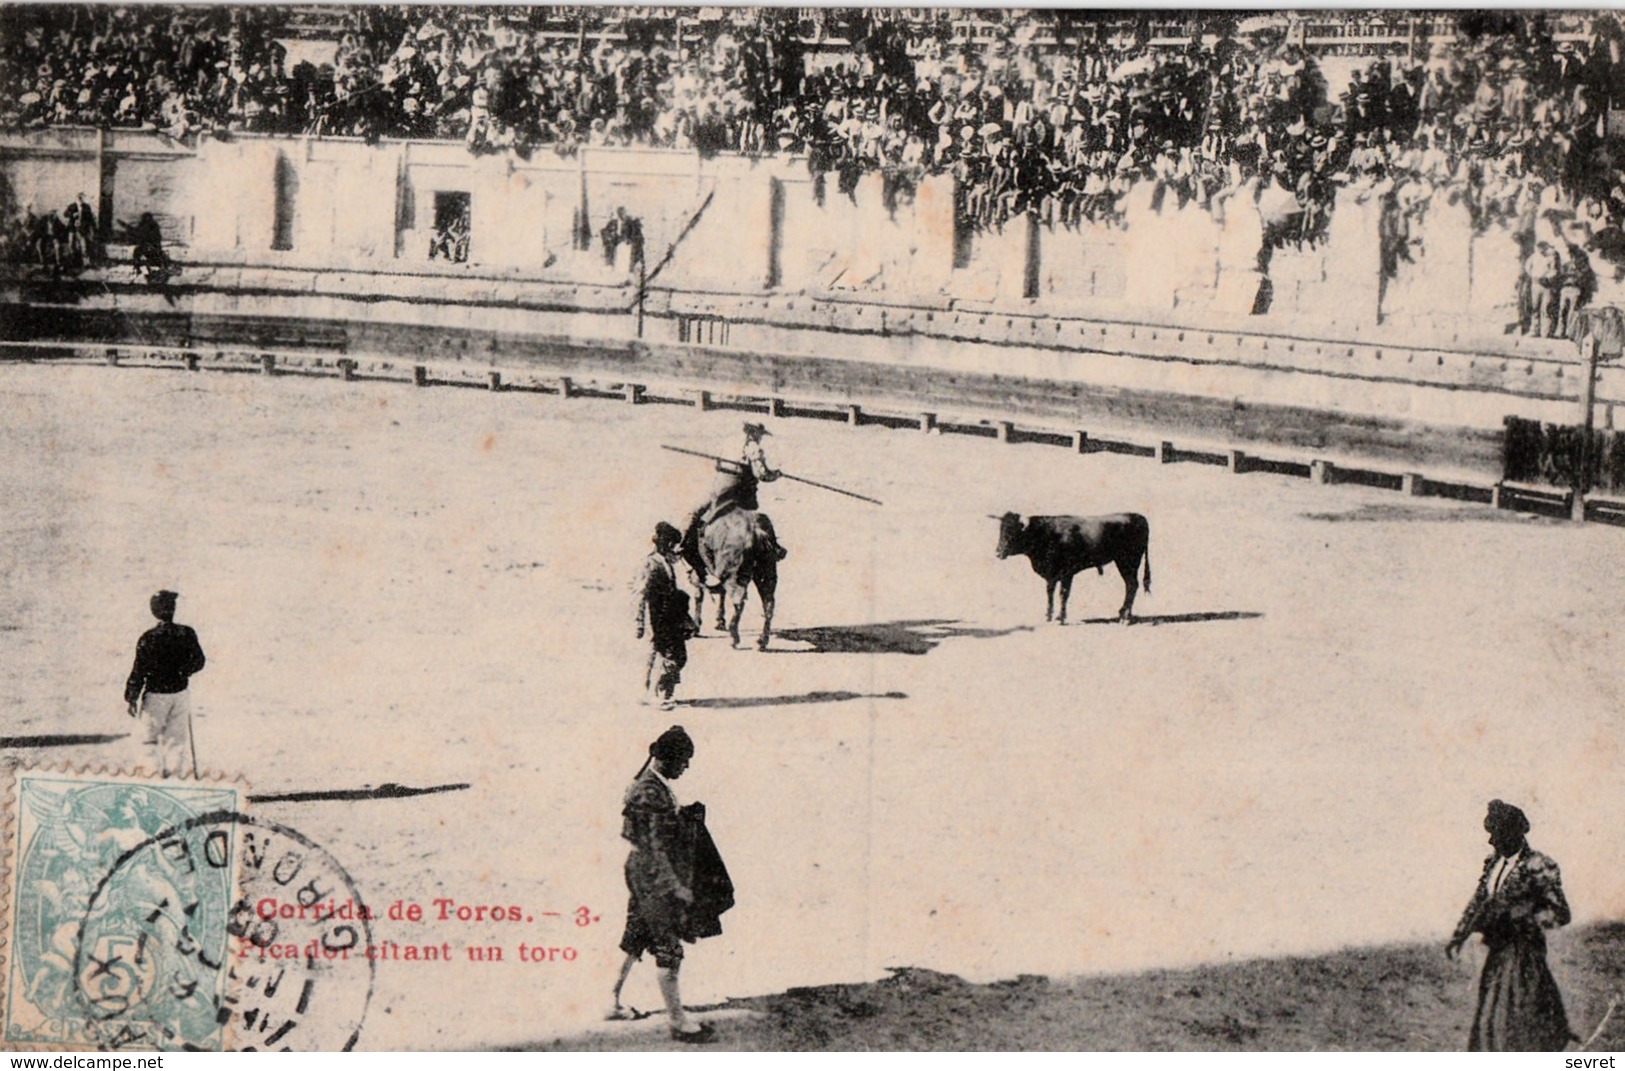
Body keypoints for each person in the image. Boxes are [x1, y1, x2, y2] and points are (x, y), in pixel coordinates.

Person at [609, 725, 715, 1043]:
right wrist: (675, 886)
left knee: (635, 936)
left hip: (640, 871)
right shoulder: (650, 792)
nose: (686, 767)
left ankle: (609, 1000)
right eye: (683, 761)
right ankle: (678, 1021)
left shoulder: (651, 784)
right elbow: (655, 847)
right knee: (669, 947)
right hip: (652, 877)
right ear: (667, 760)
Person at [1446, 799, 1576, 1052]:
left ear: (1514, 833)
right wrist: (1459, 935)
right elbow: (1479, 901)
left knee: (1516, 1015)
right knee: (1492, 1015)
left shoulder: (1539, 865)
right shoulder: (1492, 863)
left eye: (1496, 834)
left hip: (1525, 954)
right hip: (1497, 951)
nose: (1491, 841)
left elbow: (1560, 912)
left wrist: (1522, 920)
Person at [683, 422, 787, 579]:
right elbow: (762, 475)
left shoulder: (728, 442)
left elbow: (716, 465)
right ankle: (773, 547)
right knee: (760, 521)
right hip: (739, 492)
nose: (760, 437)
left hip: (718, 488)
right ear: (753, 432)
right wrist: (776, 474)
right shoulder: (754, 448)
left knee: (694, 512)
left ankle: (682, 543)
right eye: (760, 434)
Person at [123, 590, 206, 778]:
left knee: (147, 740)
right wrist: (183, 672)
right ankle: (174, 777)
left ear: (154, 612)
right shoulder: (187, 633)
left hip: (156, 696)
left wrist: (131, 697)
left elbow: (139, 670)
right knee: (176, 740)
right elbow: (199, 661)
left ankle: (153, 777)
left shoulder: (148, 638)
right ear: (173, 609)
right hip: (180, 693)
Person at [633, 523, 694, 711]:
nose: (675, 548)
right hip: (657, 615)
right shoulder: (650, 563)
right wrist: (639, 622)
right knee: (672, 655)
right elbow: (640, 594)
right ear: (665, 543)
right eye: (672, 544)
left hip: (668, 614)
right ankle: (659, 693)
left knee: (656, 653)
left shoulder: (665, 561)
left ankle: (647, 692)